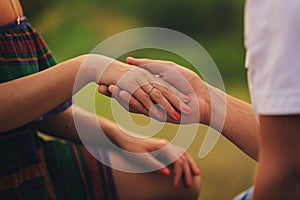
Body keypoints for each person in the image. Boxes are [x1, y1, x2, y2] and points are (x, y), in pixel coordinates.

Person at [0, 0, 201, 199]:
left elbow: (41, 113)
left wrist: (121, 137)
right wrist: (88, 67)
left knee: (179, 181)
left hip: (27, 155)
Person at [100, 0, 300, 199]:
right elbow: (290, 145)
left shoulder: (277, 8)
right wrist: (208, 101)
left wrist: (90, 66)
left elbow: (288, 175)